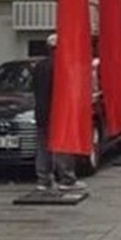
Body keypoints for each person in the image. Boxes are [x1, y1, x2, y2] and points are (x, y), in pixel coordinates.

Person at [30, 34, 85, 192]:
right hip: (58, 111)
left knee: (43, 147)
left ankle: (44, 180)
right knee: (62, 145)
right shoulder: (62, 66)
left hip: (41, 112)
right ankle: (67, 178)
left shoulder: (39, 66)